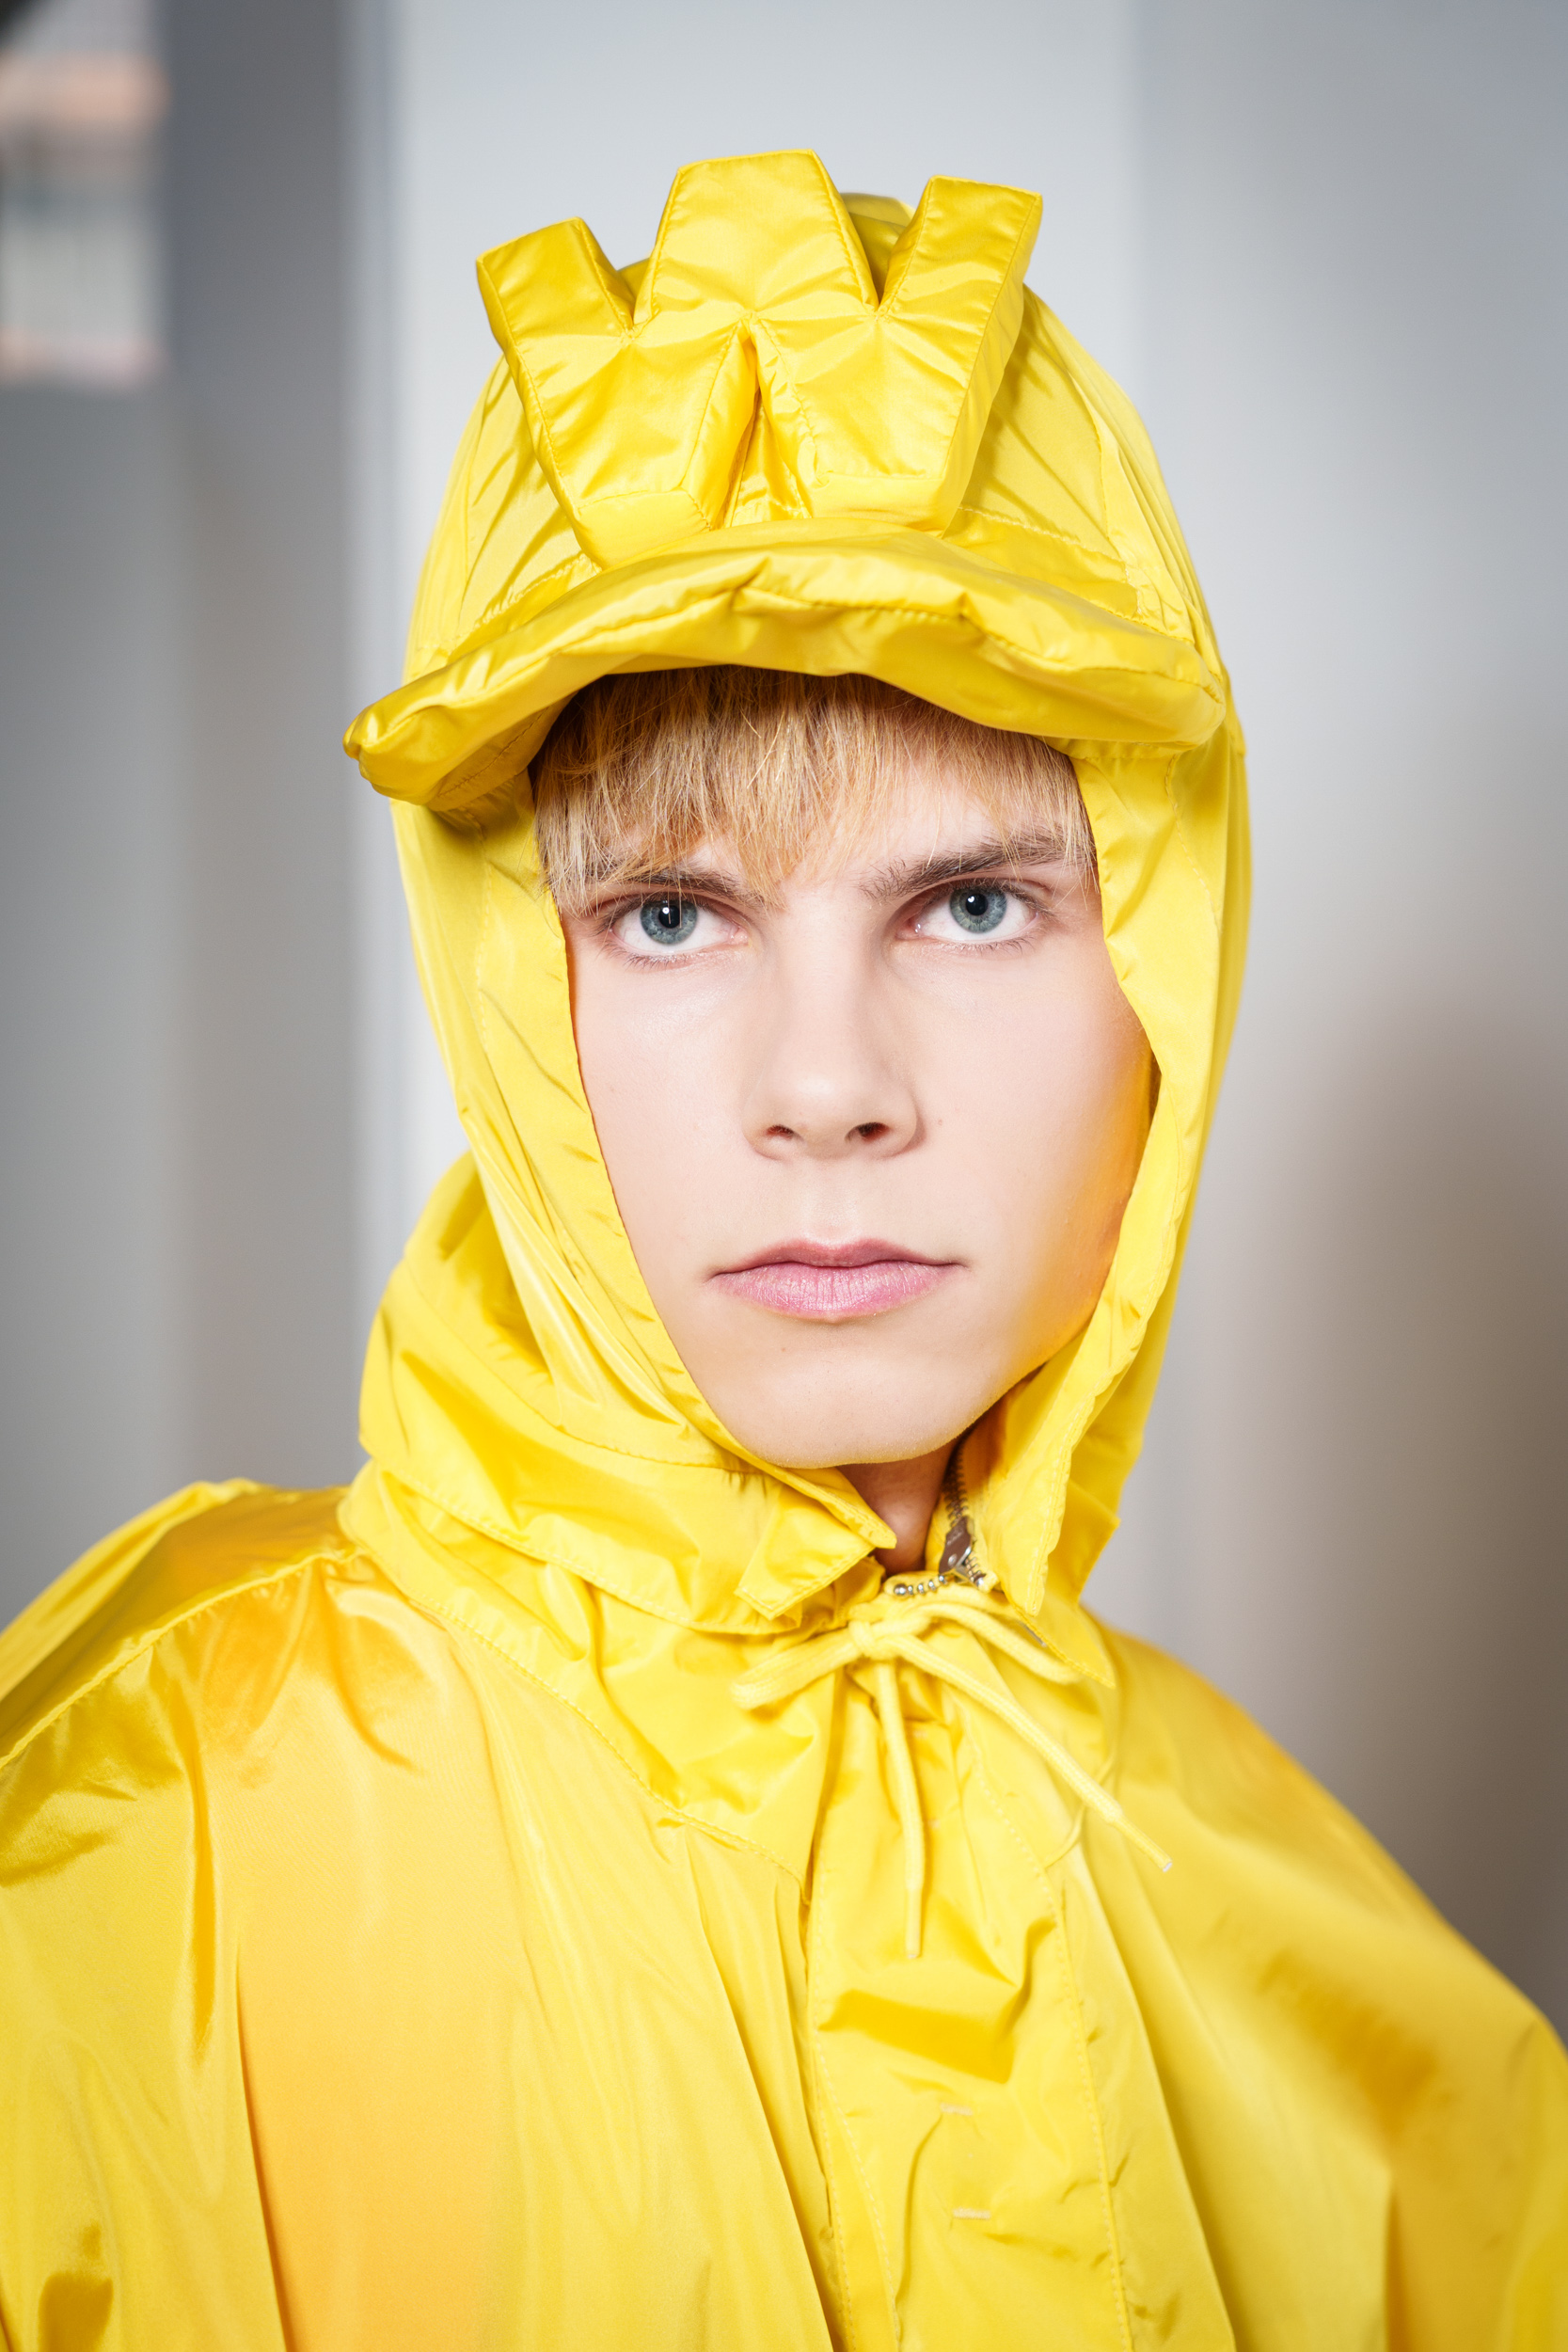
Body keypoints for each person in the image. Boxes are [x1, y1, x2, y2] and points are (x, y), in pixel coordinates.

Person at [0, 151, 1563, 2350]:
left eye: (975, 902)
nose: (824, 1085)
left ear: (1167, 978)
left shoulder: (1298, 1928)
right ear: (511, 993)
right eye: (667, 914)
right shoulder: (146, 1832)